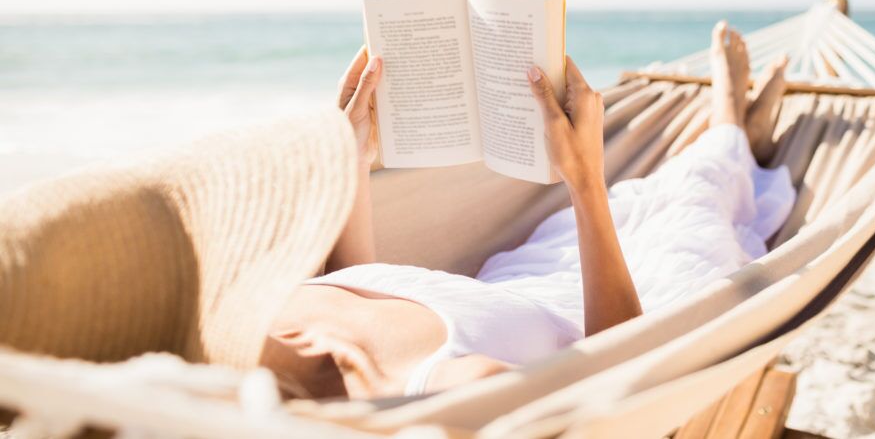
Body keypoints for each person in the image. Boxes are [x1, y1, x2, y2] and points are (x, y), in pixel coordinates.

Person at [259, 22, 794, 400]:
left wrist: (352, 160)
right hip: (632, 299)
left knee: (662, 192)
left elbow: (361, 282)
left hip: (527, 272)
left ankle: (737, 135)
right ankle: (731, 120)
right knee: (692, 203)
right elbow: (617, 375)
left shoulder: (261, 320)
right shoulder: (452, 390)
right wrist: (585, 181)